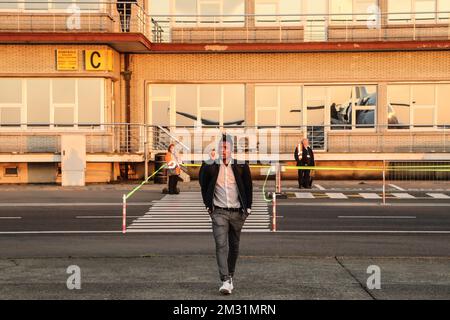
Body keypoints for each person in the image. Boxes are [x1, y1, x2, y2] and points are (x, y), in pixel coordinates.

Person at [199, 135, 252, 295]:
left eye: (226, 147)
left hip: (237, 213)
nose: (223, 151)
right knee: (221, 246)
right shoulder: (211, 166)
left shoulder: (241, 165)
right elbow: (202, 183)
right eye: (221, 147)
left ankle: (230, 275)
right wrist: (208, 206)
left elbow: (248, 187)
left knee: (234, 247)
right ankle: (225, 279)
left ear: (231, 149)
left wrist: (248, 208)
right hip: (219, 212)